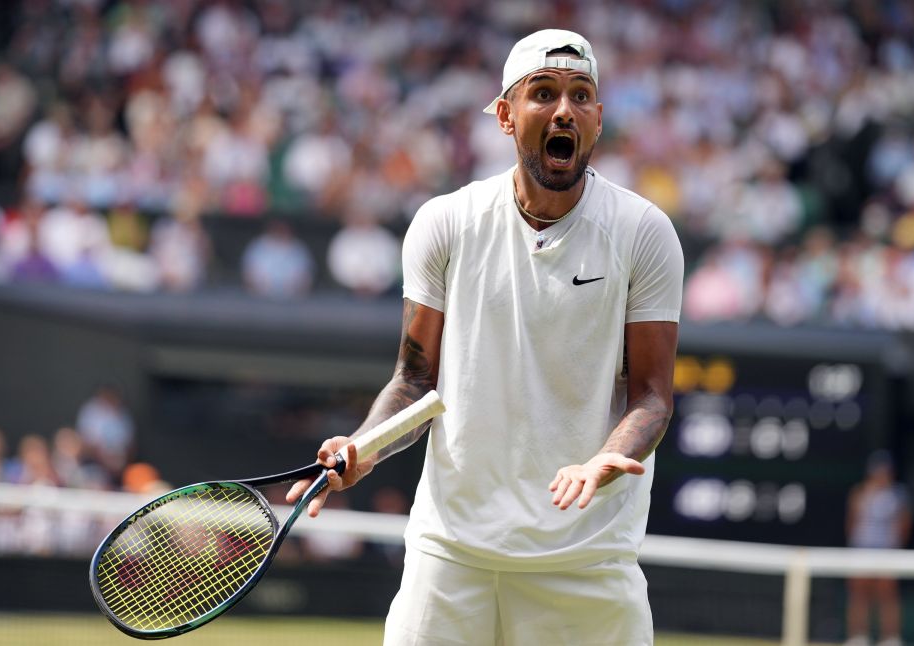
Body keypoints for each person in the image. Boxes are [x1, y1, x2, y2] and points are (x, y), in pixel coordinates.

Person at [287, 29, 683, 645]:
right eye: (543, 93)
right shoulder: (444, 224)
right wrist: (362, 446)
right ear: (504, 115)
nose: (563, 110)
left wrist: (610, 456)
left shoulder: (644, 232)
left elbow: (653, 395)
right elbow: (415, 380)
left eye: (581, 96)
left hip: (587, 558)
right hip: (452, 554)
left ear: (598, 119)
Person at [844, 450, 912, 646]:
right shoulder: (859, 492)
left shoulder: (898, 494)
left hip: (887, 552)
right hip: (862, 550)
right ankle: (858, 637)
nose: (881, 475)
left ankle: (890, 638)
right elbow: (851, 522)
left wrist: (894, 547)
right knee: (859, 594)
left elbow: (904, 524)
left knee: (887, 595)